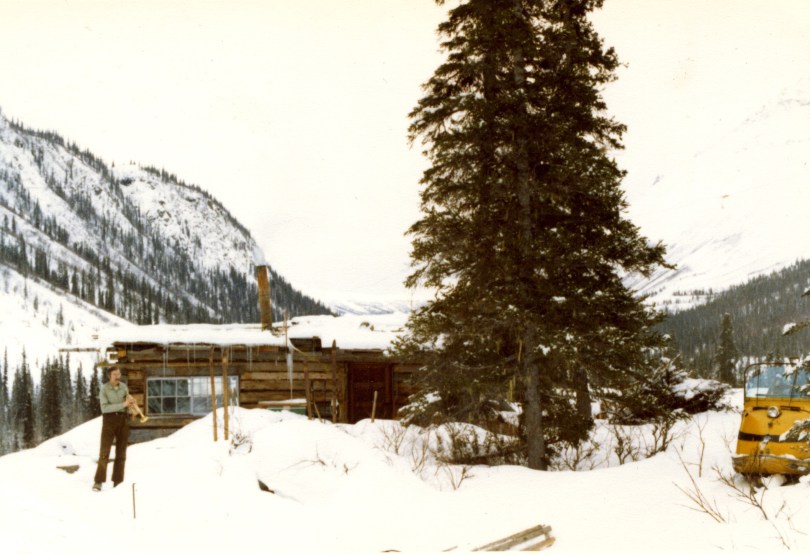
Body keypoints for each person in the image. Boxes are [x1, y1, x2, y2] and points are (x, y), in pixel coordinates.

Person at [92, 367, 134, 491]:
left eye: (119, 373)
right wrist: (123, 405)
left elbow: (127, 403)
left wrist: (131, 405)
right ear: (109, 376)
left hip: (123, 420)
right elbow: (104, 408)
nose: (118, 376)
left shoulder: (124, 387)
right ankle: (98, 482)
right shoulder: (104, 388)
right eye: (115, 374)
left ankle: (118, 482)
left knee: (121, 454)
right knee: (104, 453)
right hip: (109, 421)